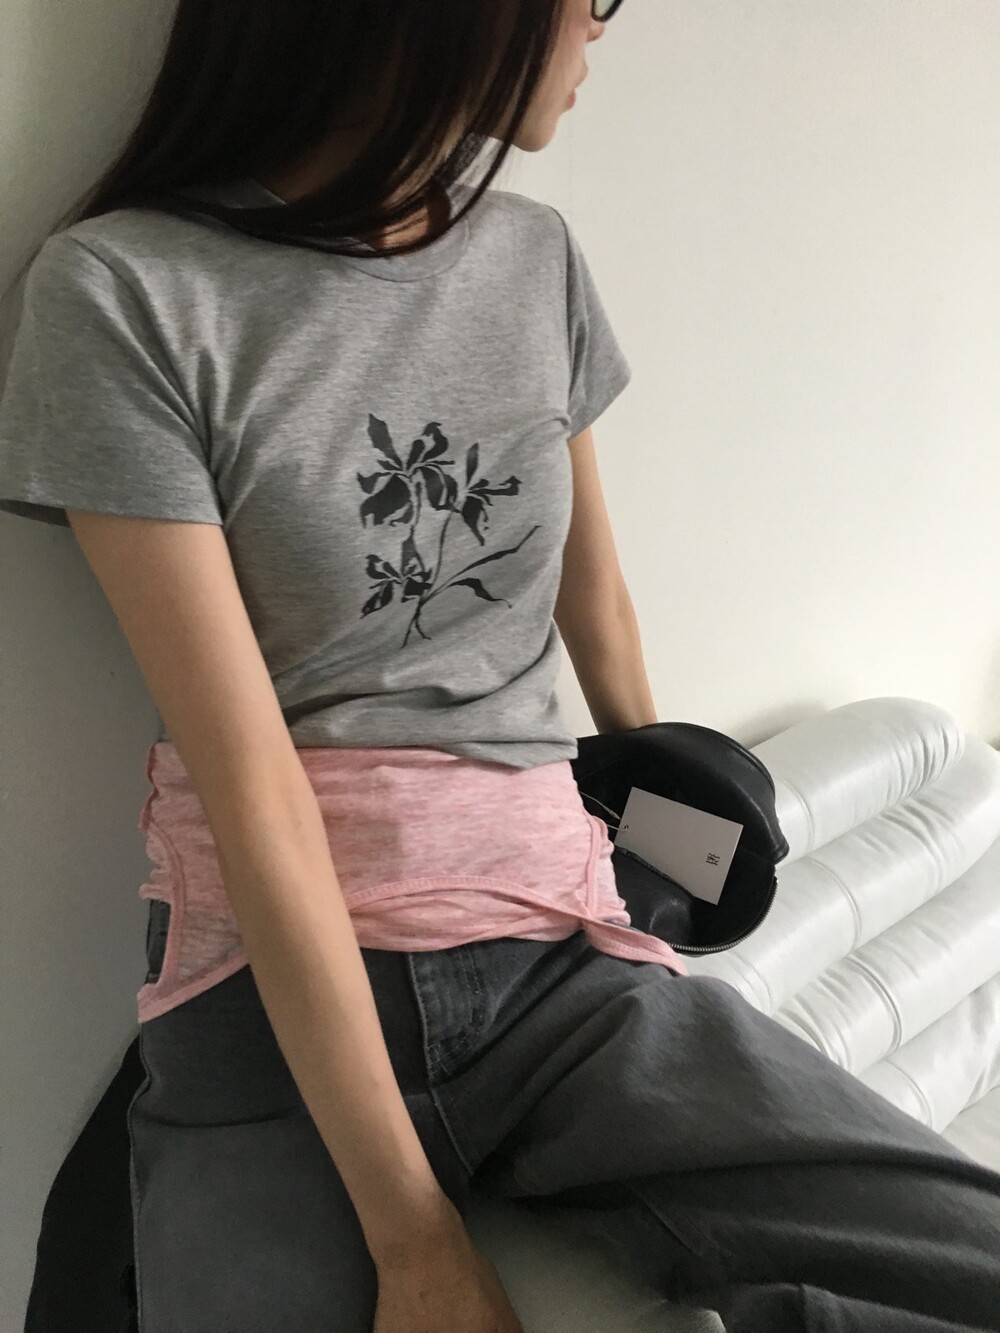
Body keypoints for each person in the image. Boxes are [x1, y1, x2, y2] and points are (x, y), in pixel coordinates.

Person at [2, 1, 999, 1329]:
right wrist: (412, 1235)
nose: (600, 24)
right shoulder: (124, 292)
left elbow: (597, 601)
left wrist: (678, 843)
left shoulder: (536, 259)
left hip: (558, 966)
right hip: (267, 1010)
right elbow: (253, 793)